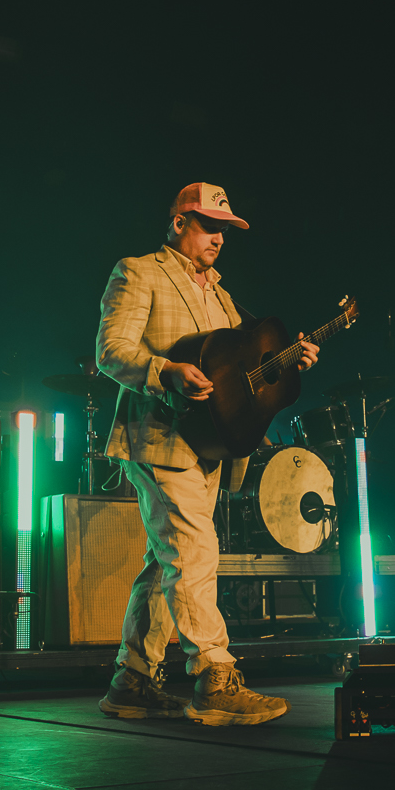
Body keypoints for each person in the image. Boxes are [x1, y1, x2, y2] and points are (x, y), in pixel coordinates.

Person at [93, 183, 318, 726]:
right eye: (208, 225)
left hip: (210, 444)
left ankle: (132, 680)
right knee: (194, 549)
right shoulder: (138, 271)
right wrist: (165, 372)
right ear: (178, 224)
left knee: (167, 559)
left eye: (225, 229)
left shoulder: (222, 296)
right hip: (159, 435)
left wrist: (288, 365)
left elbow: (238, 374)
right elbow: (111, 351)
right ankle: (214, 676)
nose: (219, 237)